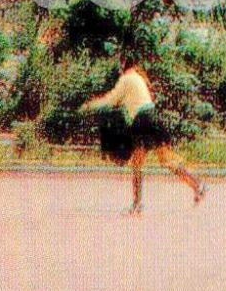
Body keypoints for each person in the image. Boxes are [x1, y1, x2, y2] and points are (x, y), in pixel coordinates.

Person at [82, 52, 205, 214]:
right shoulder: (139, 78)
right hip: (153, 117)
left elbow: (111, 100)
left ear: (123, 64)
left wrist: (91, 105)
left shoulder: (126, 79)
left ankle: (137, 205)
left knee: (137, 164)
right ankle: (198, 186)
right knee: (167, 160)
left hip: (143, 121)